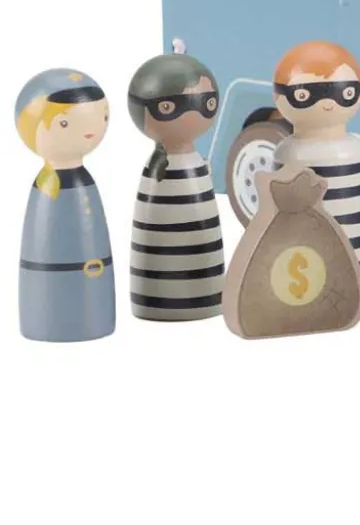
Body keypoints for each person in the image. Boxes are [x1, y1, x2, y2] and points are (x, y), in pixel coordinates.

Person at [14, 69, 117, 342]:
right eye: (64, 123)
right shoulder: (46, 187)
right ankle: (51, 324)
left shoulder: (82, 182)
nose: (91, 131)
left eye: (102, 117)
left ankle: (91, 321)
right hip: (49, 303)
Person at [127, 53, 224, 321]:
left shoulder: (195, 165)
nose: (193, 113)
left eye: (207, 104)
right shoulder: (158, 169)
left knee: (201, 243)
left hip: (208, 291)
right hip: (154, 295)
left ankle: (207, 297)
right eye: (169, 107)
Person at [272, 41, 360, 293]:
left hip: (351, 283)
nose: (327, 104)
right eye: (305, 95)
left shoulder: (350, 151)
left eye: (344, 93)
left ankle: (354, 290)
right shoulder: (288, 152)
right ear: (280, 96)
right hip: (299, 279)